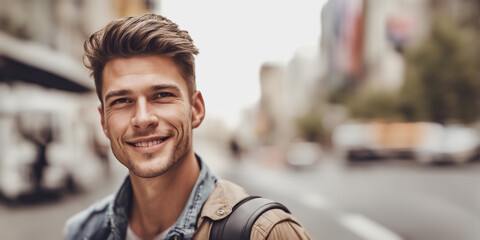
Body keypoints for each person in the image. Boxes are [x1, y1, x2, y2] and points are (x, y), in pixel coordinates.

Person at [65, 13, 311, 240]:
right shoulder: (84, 231)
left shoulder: (265, 233)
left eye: (161, 95)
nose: (142, 118)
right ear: (103, 121)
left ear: (196, 110)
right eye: (121, 101)